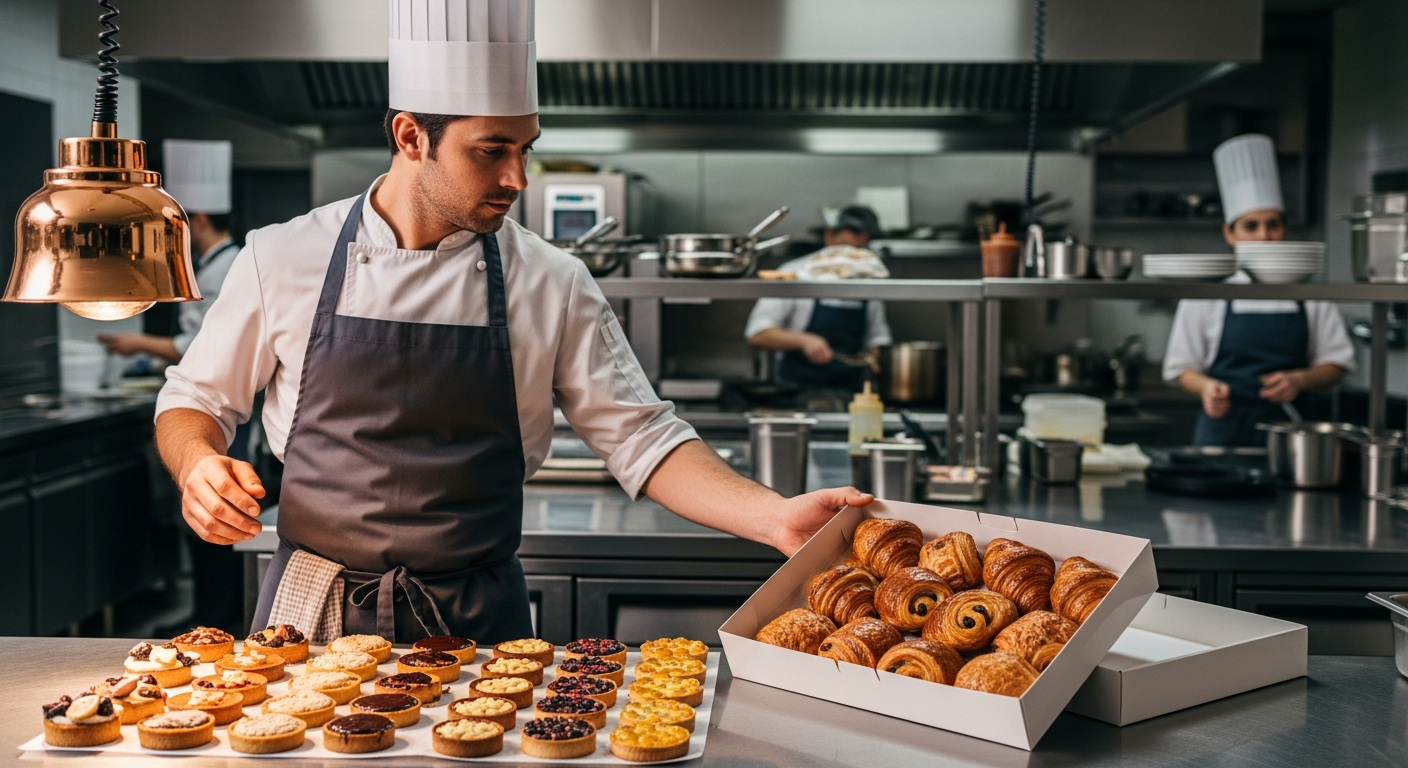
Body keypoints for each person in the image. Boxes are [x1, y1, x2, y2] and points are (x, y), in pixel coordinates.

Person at [154, 0, 870, 644]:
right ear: (410, 137)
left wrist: (774, 518)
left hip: (477, 626)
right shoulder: (282, 256)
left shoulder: (549, 280)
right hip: (312, 619)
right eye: (490, 150)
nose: (517, 179)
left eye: (524, 149)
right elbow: (194, 401)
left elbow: (641, 437)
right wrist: (198, 465)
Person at [1163, 134, 1354, 446]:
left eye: (1273, 224)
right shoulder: (1207, 295)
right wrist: (1207, 388)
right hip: (1221, 435)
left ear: (1285, 230)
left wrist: (1300, 379)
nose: (1265, 237)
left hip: (1293, 440)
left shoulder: (1311, 296)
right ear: (1229, 233)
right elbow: (1180, 369)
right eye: (1251, 226)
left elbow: (1337, 364)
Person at [98, 140, 240, 367]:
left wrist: (138, 343)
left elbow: (199, 346)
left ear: (200, 220)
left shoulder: (224, 270)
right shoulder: (210, 264)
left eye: (176, 224)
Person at [745, 205, 892, 392]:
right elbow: (758, 333)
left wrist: (874, 360)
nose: (854, 256)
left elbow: (876, 336)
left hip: (850, 391)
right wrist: (804, 340)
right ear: (829, 236)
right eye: (848, 247)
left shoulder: (867, 278)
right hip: (796, 390)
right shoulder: (795, 273)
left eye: (861, 249)